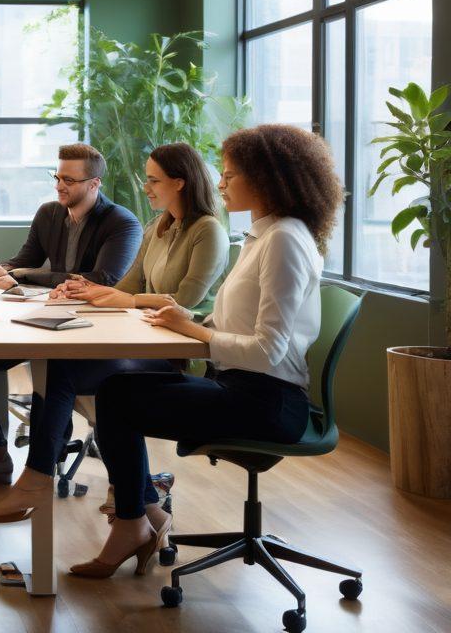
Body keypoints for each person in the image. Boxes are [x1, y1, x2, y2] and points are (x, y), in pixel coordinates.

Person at [70, 124, 340, 579]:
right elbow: (241, 325)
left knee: (117, 395)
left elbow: (268, 352)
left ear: (267, 179)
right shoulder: (263, 236)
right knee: (117, 388)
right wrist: (187, 322)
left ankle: (135, 521)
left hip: (267, 402)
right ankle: (141, 515)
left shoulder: (284, 241)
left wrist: (195, 331)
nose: (220, 183)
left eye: (231, 175)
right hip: (241, 385)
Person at [0, 143, 229, 525]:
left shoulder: (208, 231)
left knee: (64, 371)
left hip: (179, 348)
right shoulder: (158, 227)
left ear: (180, 183)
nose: (145, 187)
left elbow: (182, 301)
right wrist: (87, 291)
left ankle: (42, 478)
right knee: (57, 365)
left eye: (153, 180)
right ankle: (45, 477)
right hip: (143, 336)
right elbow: (126, 286)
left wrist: (123, 299)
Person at [0, 143, 142, 489]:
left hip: (90, 327)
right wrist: (2, 270)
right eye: (57, 176)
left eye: (69, 180)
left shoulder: (121, 223)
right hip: (45, 317)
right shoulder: (48, 214)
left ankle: (32, 466)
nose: (60, 185)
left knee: (48, 368)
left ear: (94, 184)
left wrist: (24, 275)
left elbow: (101, 281)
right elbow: (23, 258)